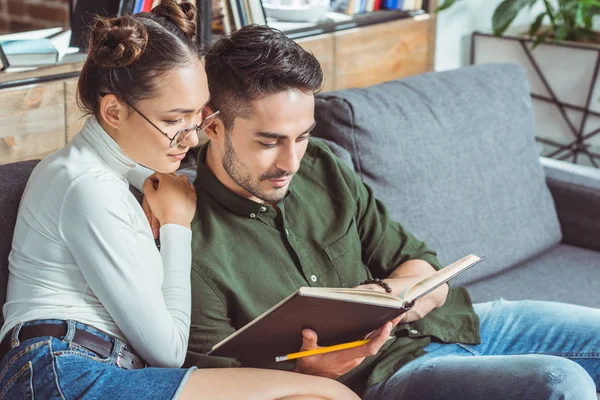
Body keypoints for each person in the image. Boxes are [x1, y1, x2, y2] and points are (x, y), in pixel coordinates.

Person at [181, 25, 600, 399]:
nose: (291, 162)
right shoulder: (191, 242)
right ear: (212, 125)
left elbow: (425, 269)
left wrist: (383, 296)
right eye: (270, 141)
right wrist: (308, 372)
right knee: (559, 382)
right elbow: (221, 385)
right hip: (391, 375)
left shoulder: (321, 166)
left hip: (457, 324)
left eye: (303, 136)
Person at [0, 3, 359, 399]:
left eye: (195, 118)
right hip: (64, 371)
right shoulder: (88, 186)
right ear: (114, 110)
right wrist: (176, 227)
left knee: (323, 394)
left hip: (95, 367)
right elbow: (169, 351)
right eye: (174, 121)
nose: (191, 139)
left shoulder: (115, 176)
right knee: (328, 395)